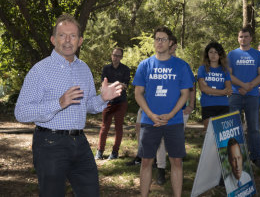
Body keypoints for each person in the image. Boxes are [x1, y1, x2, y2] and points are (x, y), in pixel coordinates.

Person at [14, 14, 122, 196]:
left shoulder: (83, 68)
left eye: (72, 36)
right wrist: (58, 103)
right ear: (53, 39)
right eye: (62, 35)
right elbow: (21, 112)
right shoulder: (40, 70)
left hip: (80, 142)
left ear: (80, 41)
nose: (67, 40)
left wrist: (103, 98)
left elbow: (88, 105)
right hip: (49, 144)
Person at [133, 26, 194, 197]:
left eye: (163, 39)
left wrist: (172, 114)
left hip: (173, 121)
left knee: (176, 161)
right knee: (146, 162)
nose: (159, 42)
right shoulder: (145, 65)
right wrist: (151, 115)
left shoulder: (181, 66)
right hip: (149, 120)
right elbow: (138, 93)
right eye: (157, 39)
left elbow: (185, 94)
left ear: (171, 43)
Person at [154, 35, 196, 185]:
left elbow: (191, 87)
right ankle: (160, 170)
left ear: (174, 46)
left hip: (180, 112)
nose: (170, 49)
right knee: (160, 142)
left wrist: (191, 105)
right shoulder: (156, 64)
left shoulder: (183, 65)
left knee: (175, 144)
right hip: (160, 112)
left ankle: (177, 171)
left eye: (171, 46)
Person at [227, 26, 260, 168]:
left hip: (252, 96)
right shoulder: (232, 54)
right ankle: (234, 157)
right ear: (238, 38)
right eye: (241, 37)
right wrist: (242, 86)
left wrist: (250, 86)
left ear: (251, 38)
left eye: (246, 36)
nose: (243, 39)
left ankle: (256, 156)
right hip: (235, 95)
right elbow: (229, 75)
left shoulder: (257, 54)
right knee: (234, 127)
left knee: (253, 128)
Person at [95, 47, 130, 160]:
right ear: (111, 55)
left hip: (121, 102)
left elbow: (125, 86)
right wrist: (118, 83)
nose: (116, 58)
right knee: (104, 127)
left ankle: (115, 152)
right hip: (108, 102)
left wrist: (113, 84)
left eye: (118, 56)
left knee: (118, 128)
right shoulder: (106, 69)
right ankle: (100, 151)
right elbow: (103, 85)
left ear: (121, 57)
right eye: (114, 55)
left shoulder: (125, 69)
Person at [198, 41, 232, 130]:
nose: (213, 55)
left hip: (223, 105)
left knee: (222, 135)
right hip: (207, 105)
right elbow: (203, 88)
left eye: (216, 52)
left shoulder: (225, 70)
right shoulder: (202, 69)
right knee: (209, 132)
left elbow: (229, 90)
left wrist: (210, 91)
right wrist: (222, 92)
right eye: (211, 52)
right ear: (207, 54)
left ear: (220, 54)